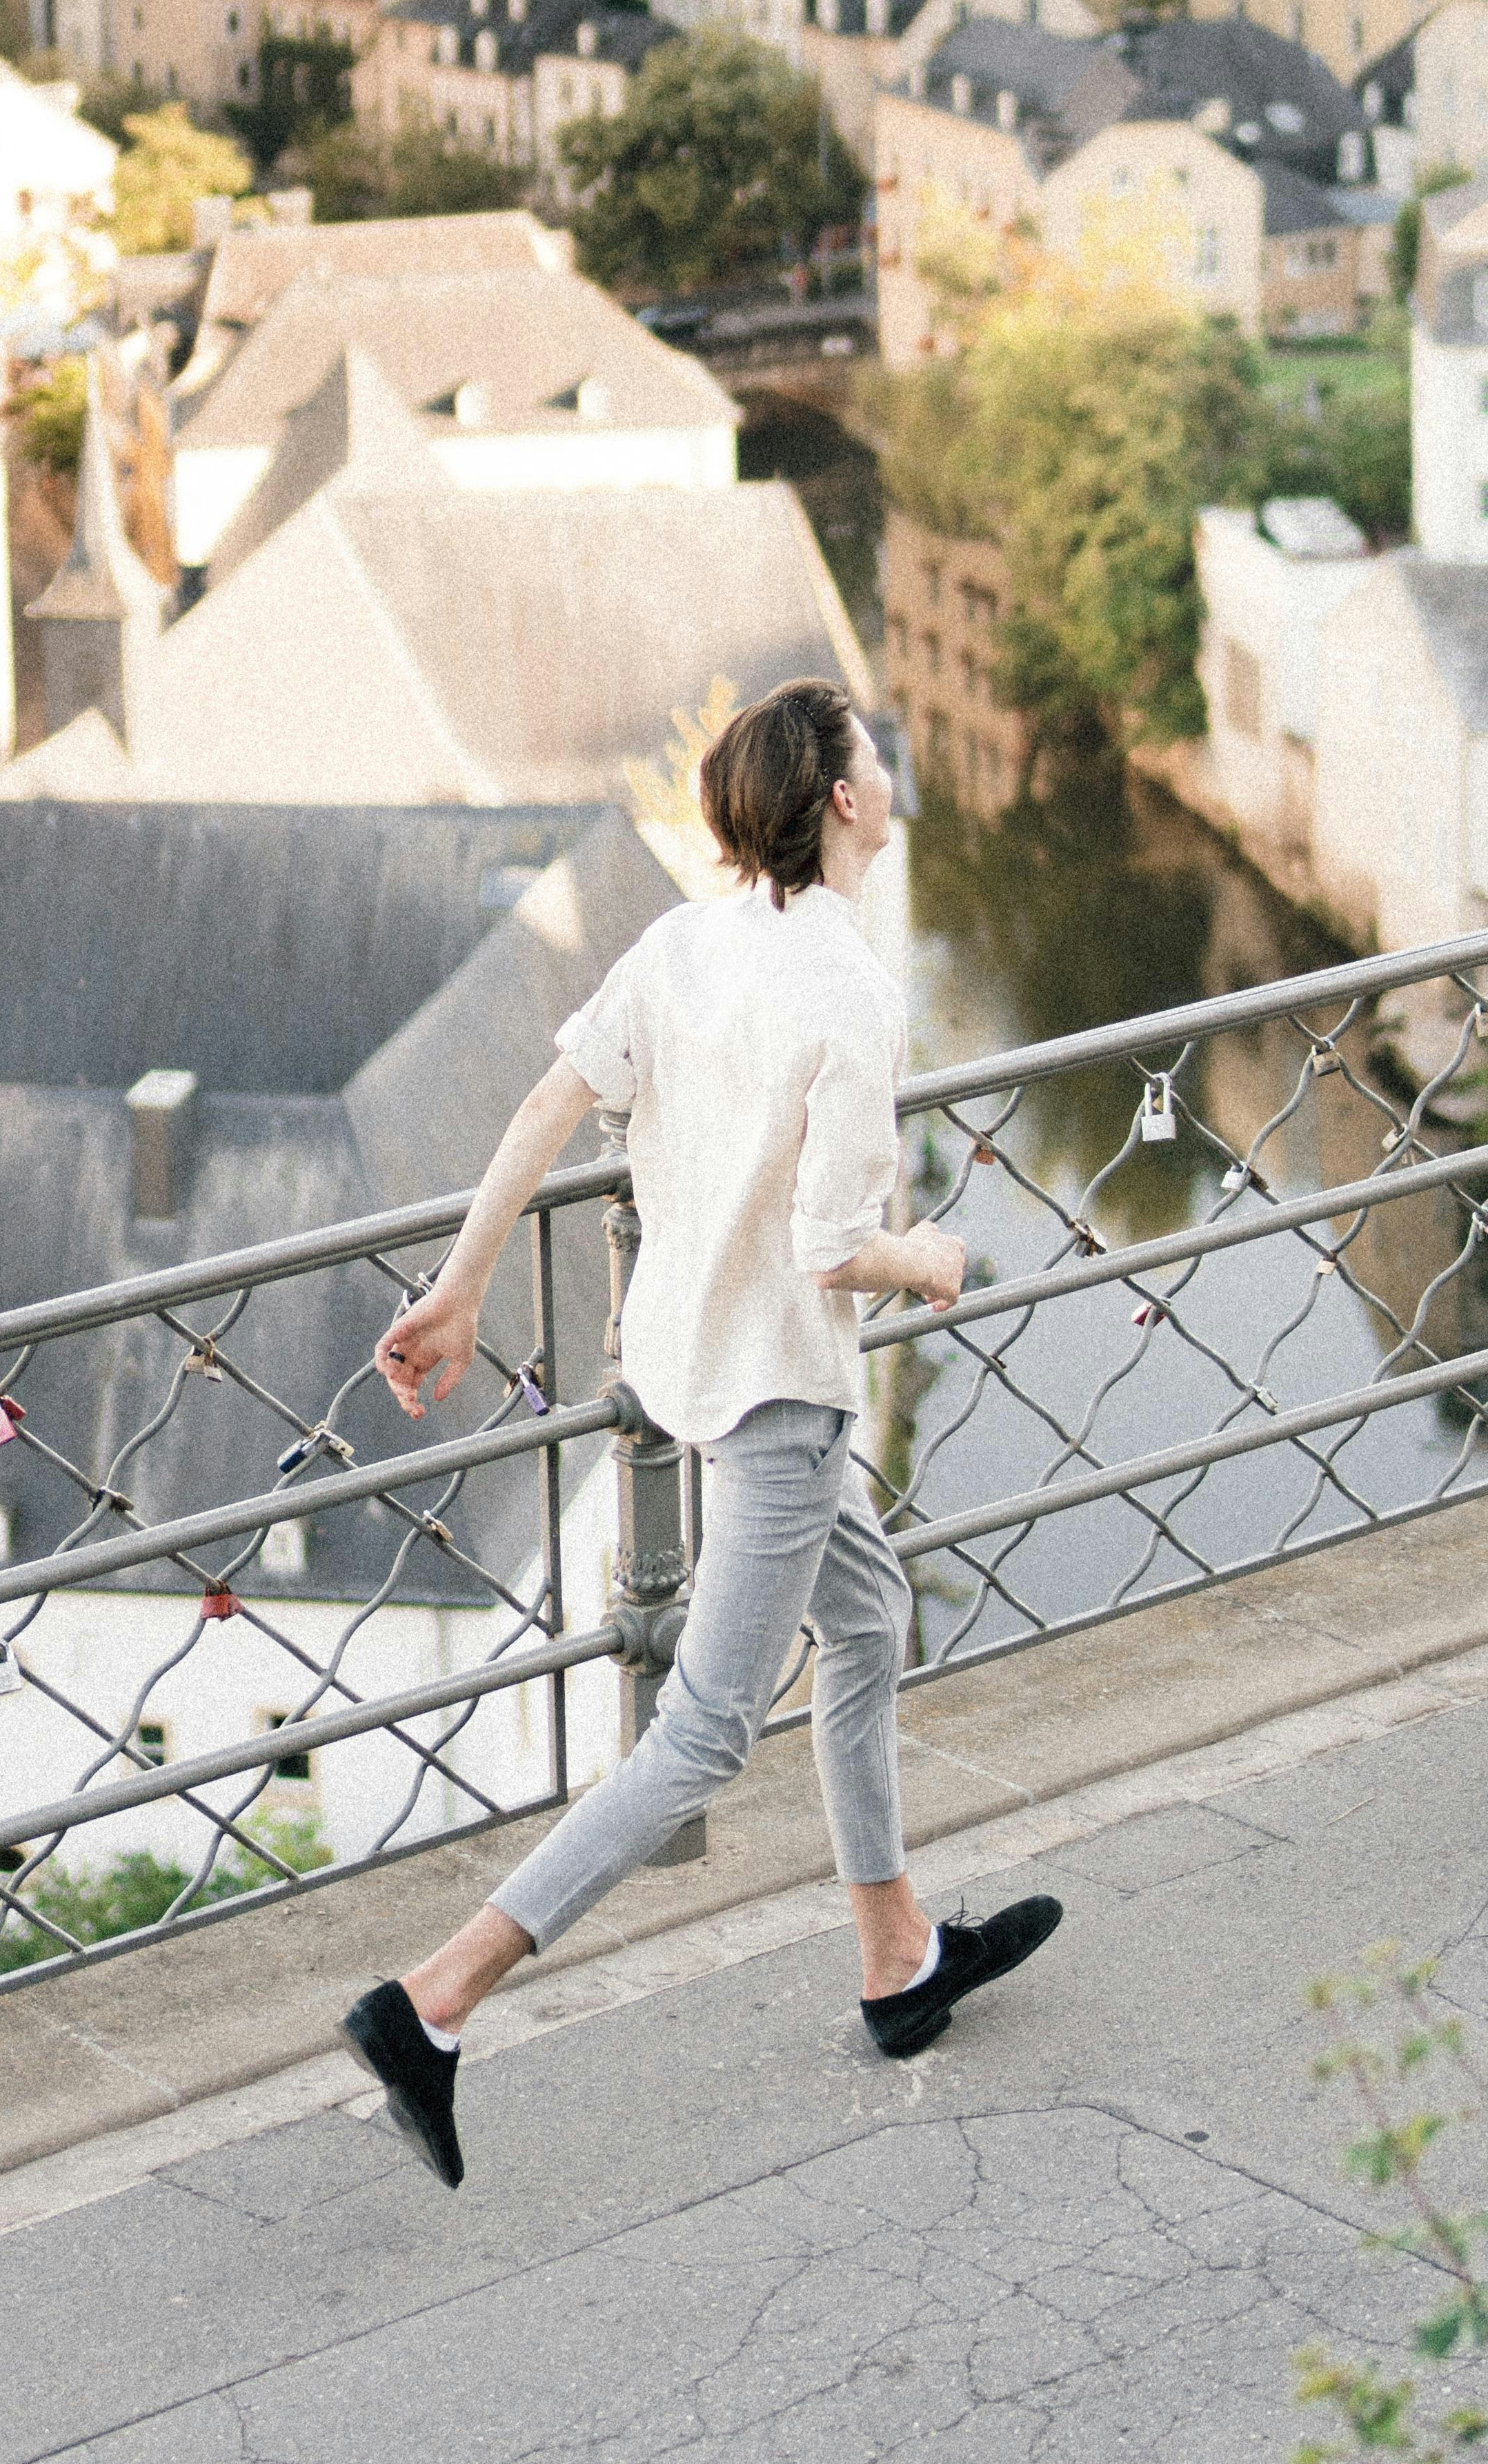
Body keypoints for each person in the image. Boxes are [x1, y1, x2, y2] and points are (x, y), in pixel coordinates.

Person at [334, 676, 1060, 2189]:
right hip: (779, 1394)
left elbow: (546, 1104)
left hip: (689, 1366)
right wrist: (931, 1257)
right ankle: (434, 1999)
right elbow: (833, 1247)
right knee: (706, 1733)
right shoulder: (851, 990)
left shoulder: (682, 941)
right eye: (870, 754)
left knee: (868, 1618)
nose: (885, 767)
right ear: (843, 799)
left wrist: (459, 1284)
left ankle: (897, 1959)